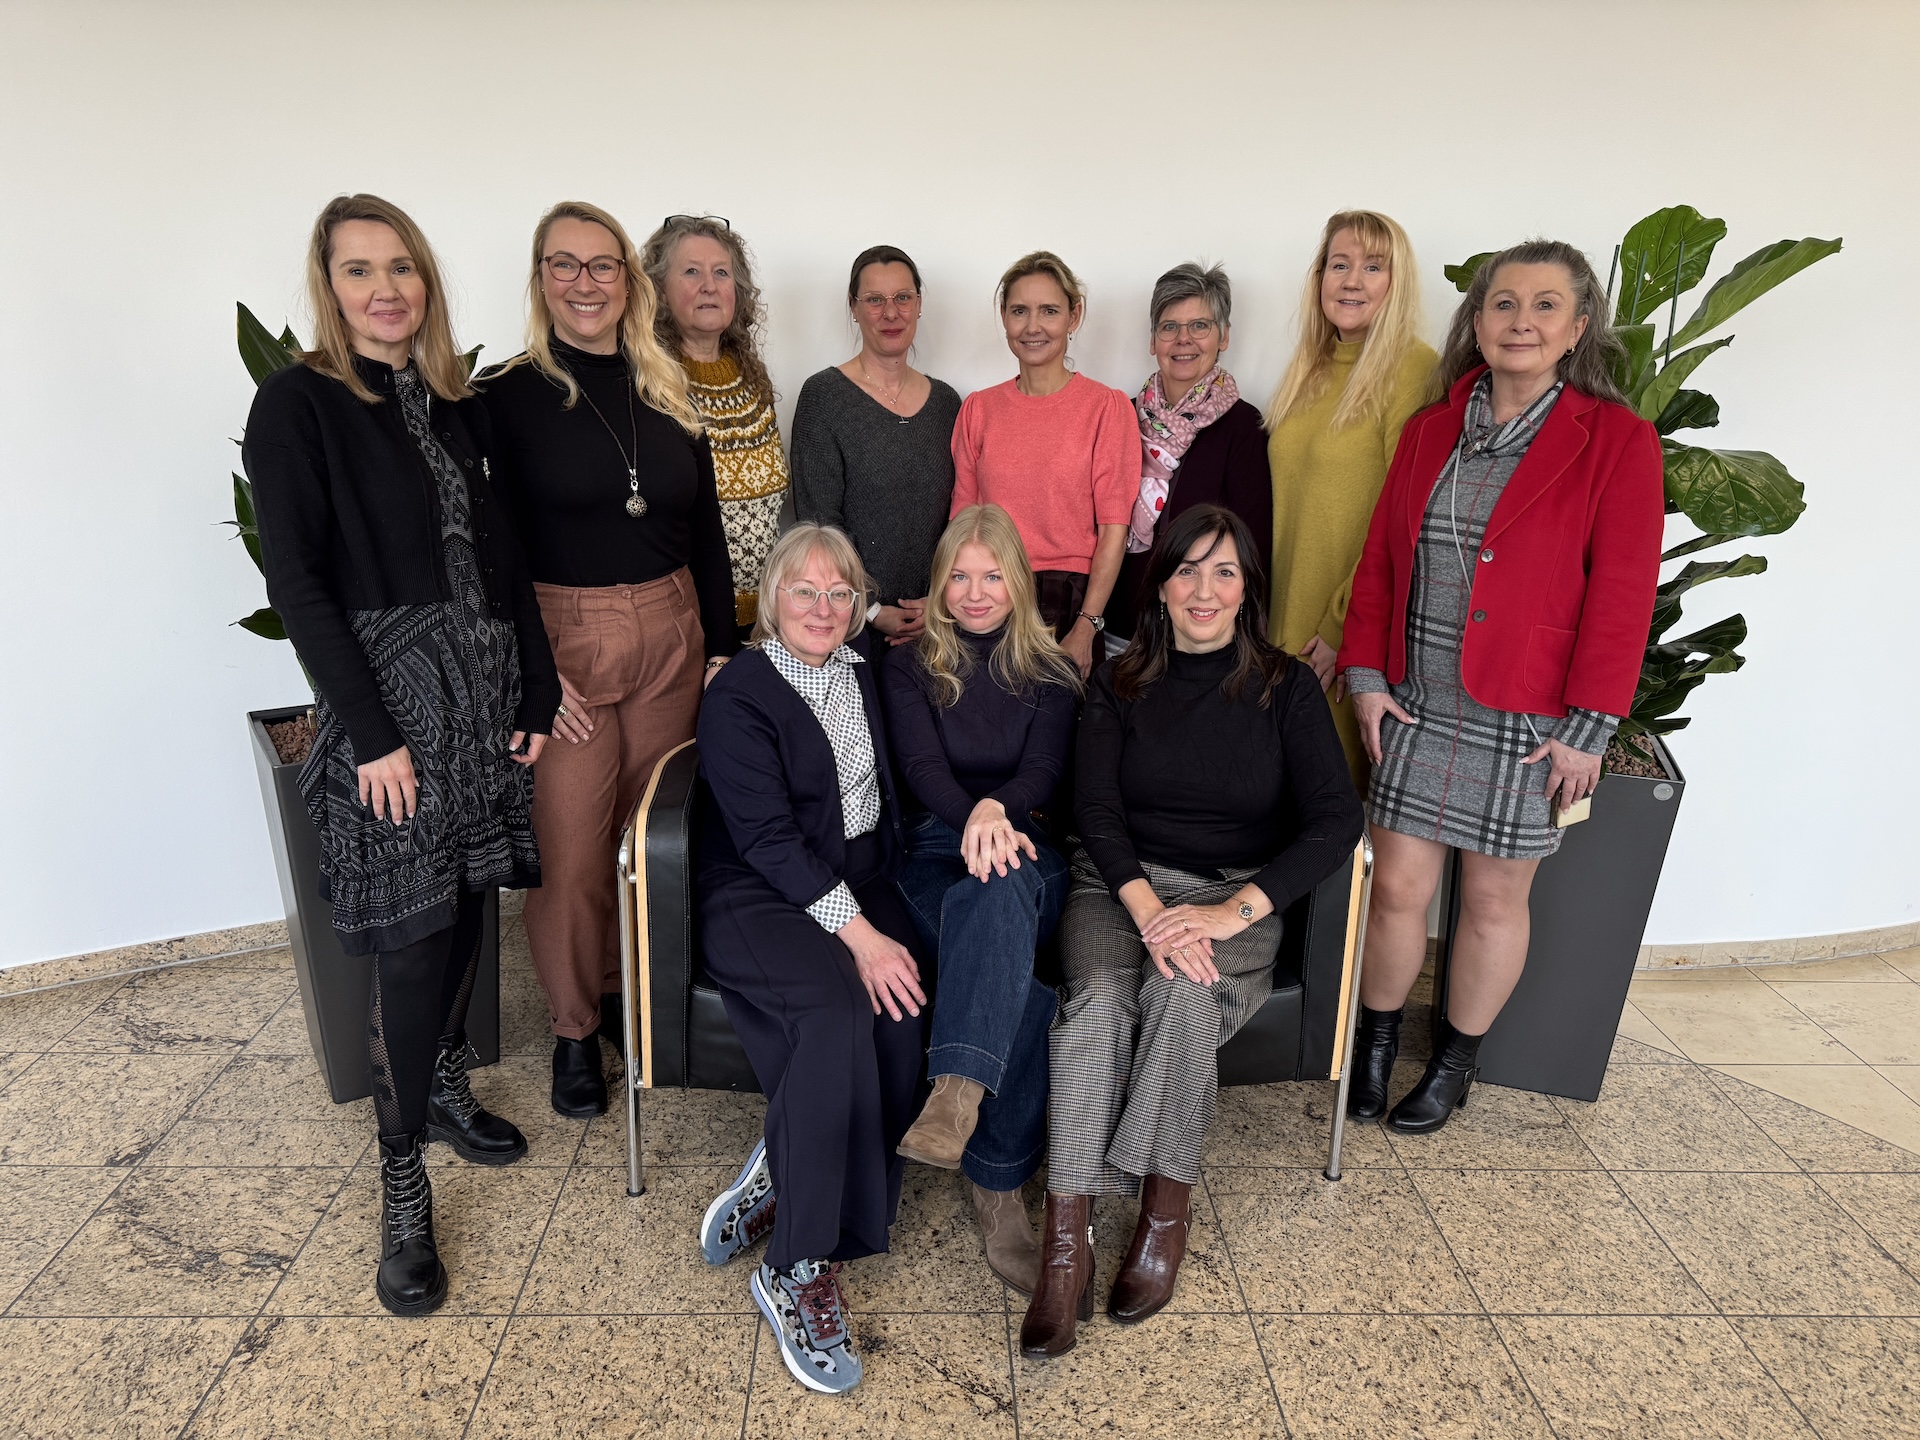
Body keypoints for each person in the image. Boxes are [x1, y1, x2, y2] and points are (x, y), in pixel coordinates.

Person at [244, 194, 559, 1317]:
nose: (386, 289)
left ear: (426, 283)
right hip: (393, 717)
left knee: (468, 907)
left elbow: (509, 564)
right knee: (414, 944)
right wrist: (373, 734)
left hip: (481, 704)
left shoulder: (455, 406)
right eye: (360, 270)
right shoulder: (297, 405)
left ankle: (446, 1086)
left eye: (403, 268)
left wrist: (537, 684)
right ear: (328, 287)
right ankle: (402, 1184)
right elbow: (298, 584)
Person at [1336, 240, 1664, 1135]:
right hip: (1419, 703)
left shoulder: (1617, 441)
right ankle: (1374, 1045)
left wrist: (1589, 729)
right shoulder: (1431, 429)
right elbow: (1381, 560)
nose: (1522, 321)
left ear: (1579, 327)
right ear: (1476, 322)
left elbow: (1624, 595)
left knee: (1492, 901)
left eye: (1545, 305)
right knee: (1396, 890)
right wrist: (1366, 677)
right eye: (1504, 304)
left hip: (1530, 717)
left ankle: (1454, 1064)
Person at [1023, 506, 1362, 1358]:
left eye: (1224, 572)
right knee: (1098, 1005)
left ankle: (1160, 1216)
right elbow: (1094, 809)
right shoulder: (1119, 679)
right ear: (1161, 587)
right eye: (1186, 570)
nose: (1203, 590)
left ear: (1248, 589)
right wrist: (1149, 912)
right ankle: (1067, 1246)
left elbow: (1335, 819)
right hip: (1118, 887)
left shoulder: (1286, 688)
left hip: (1230, 896)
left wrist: (1228, 912)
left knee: (1181, 997)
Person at [478, 201, 738, 1118]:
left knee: (647, 837)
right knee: (573, 850)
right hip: (566, 644)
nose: (584, 283)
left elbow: (705, 533)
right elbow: (492, 554)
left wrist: (721, 648)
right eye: (564, 264)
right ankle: (573, 1028)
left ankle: (632, 999)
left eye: (602, 265)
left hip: (673, 631)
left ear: (629, 280)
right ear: (540, 278)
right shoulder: (502, 397)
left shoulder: (667, 386)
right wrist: (534, 677)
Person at [694, 524, 929, 1397]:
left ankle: (793, 1173)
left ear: (860, 604)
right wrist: (861, 935)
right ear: (772, 599)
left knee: (904, 1012)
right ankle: (794, 1267)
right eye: (805, 591)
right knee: (836, 1010)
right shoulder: (740, 694)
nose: (823, 608)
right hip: (756, 889)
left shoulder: (866, 671)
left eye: (840, 593)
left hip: (855, 875)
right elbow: (765, 839)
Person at [883, 504, 1080, 1295]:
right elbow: (922, 769)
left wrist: (998, 814)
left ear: (1018, 582)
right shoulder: (908, 666)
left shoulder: (1052, 672)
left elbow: (1044, 772)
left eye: (991, 575)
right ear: (938, 585)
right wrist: (973, 819)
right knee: (1019, 989)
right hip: (933, 851)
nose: (974, 592)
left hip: (1029, 849)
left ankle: (957, 1091)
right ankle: (998, 1186)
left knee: (1001, 881)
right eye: (959, 577)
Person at [1265, 210, 1438, 789]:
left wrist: (1344, 626)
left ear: (1397, 282)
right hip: (1283, 628)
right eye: (1339, 265)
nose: (1352, 281)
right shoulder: (1309, 367)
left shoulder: (1412, 368)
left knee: (1330, 804)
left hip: (1340, 637)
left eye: (1373, 267)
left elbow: (1408, 515)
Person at [949, 251, 1136, 677]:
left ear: (1074, 316)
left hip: (1069, 602)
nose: (1033, 326)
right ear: (1004, 317)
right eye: (1020, 311)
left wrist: (1087, 625)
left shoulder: (1106, 408)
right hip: (989, 597)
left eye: (1049, 311)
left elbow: (1114, 529)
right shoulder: (978, 409)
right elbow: (963, 522)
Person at [791, 245, 962, 648]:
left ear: (919, 304)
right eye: (874, 300)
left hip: (937, 622)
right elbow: (819, 523)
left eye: (903, 297)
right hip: (848, 625)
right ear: (853, 307)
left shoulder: (947, 403)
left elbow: (960, 518)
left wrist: (941, 601)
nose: (891, 313)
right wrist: (868, 609)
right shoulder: (824, 397)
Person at [641, 215, 789, 643]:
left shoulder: (753, 382)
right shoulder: (648, 386)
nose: (709, 285)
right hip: (687, 623)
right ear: (659, 290)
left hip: (767, 623)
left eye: (721, 272)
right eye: (691, 271)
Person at [1111, 262, 1271, 645]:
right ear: (1153, 341)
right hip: (1120, 629)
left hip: (1199, 639)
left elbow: (1253, 547)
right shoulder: (1120, 417)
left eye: (1200, 325)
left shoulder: (1243, 427)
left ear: (1224, 336)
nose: (1184, 339)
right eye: (1169, 327)